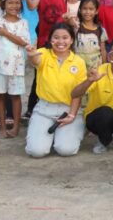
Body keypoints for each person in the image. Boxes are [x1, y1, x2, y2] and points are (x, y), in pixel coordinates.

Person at [24, 23, 87, 158]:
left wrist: (72, 115)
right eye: (56, 37)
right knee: (37, 152)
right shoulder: (44, 53)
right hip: (44, 109)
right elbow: (36, 61)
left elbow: (78, 93)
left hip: (67, 109)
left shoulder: (79, 62)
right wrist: (31, 54)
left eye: (65, 38)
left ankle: (69, 131)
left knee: (66, 150)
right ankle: (45, 136)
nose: (60, 42)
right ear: (50, 39)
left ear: (71, 40)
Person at [71, 39, 113, 154]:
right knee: (106, 112)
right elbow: (75, 94)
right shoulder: (99, 71)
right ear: (109, 57)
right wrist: (89, 81)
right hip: (97, 120)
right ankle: (104, 140)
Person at [0, 0, 30, 138]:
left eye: (17, 3)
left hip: (16, 66)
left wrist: (5, 33)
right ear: (3, 5)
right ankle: (3, 127)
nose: (14, 6)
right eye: (10, 3)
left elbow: (23, 42)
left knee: (15, 96)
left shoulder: (23, 23)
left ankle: (16, 127)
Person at [73, 0, 108, 71]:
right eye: (84, 8)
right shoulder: (76, 27)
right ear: (80, 10)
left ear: (96, 11)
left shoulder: (101, 30)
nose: (87, 12)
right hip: (77, 66)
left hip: (95, 68)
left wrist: (104, 66)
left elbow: (103, 50)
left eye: (91, 9)